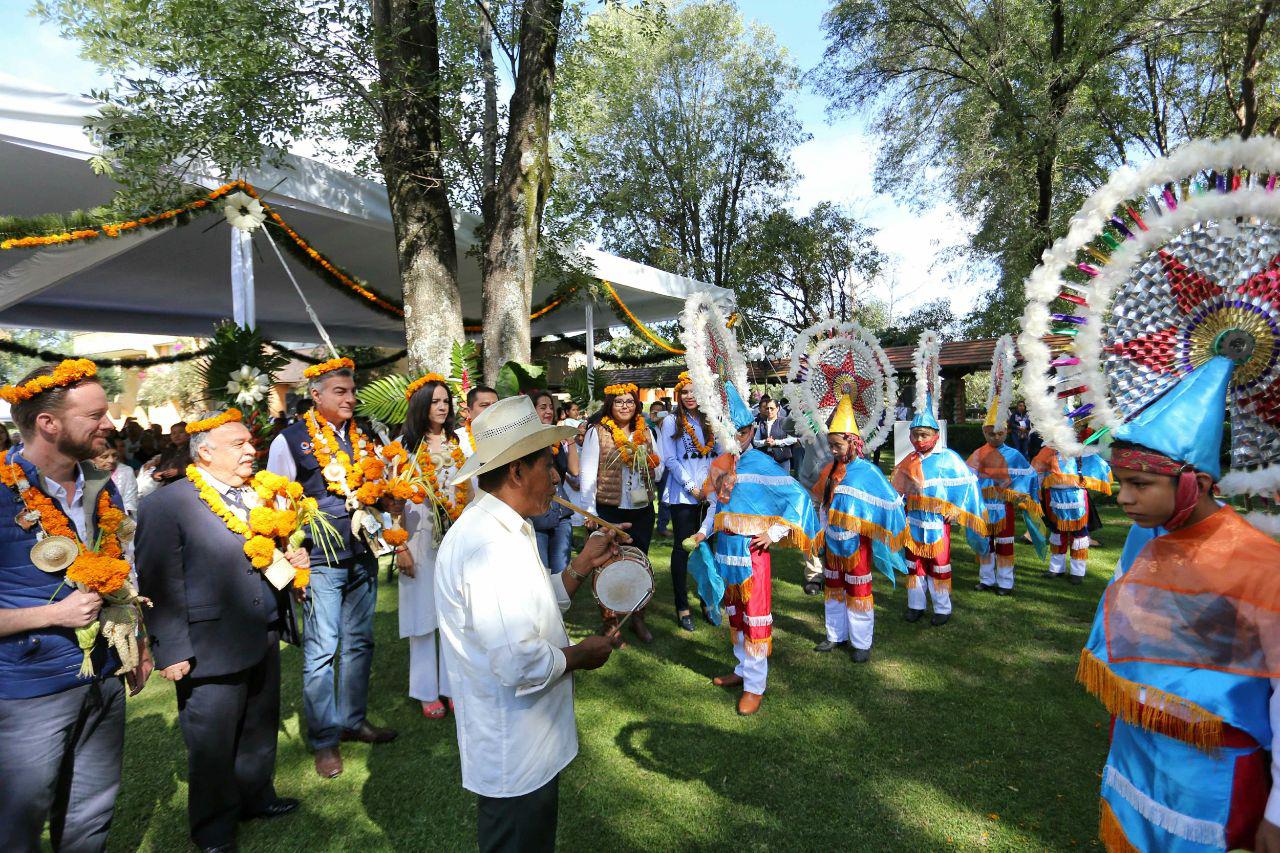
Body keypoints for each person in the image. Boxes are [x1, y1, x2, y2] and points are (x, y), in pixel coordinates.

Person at [1076, 355, 1280, 850]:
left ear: (1197, 484)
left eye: (1140, 484)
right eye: (1121, 482)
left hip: (1214, 773)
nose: (1122, 498)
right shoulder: (1142, 540)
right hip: (1137, 744)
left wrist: (1276, 814)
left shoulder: (1260, 564)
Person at [434, 395, 626, 852]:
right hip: (512, 747)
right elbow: (518, 661)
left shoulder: (503, 527)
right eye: (546, 464)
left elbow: (535, 604)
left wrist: (580, 565)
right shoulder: (489, 545)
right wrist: (585, 653)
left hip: (528, 739)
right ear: (517, 472)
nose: (556, 475)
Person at [136, 409, 306, 852]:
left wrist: (292, 563)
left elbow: (264, 554)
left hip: (263, 628)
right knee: (212, 742)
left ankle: (256, 798)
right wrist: (171, 650)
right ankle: (213, 829)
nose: (252, 450)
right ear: (205, 452)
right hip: (209, 645)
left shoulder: (259, 495)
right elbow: (159, 581)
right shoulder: (166, 505)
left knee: (259, 724)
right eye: (240, 444)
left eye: (251, 443)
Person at [0, 360, 152, 853]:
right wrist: (52, 615)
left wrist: (138, 643)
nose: (109, 424)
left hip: (104, 673)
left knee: (91, 814)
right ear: (49, 424)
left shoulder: (101, 487)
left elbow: (119, 572)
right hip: (30, 693)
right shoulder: (3, 493)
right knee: (17, 824)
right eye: (95, 415)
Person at [266, 357, 397, 780]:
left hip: (361, 555)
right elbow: (277, 507)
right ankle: (325, 739)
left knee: (360, 644)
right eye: (340, 392)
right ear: (316, 395)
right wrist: (293, 564)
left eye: (352, 391)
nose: (350, 399)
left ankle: (353, 720)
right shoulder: (290, 441)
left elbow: (373, 490)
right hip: (319, 563)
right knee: (322, 651)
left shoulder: (362, 437)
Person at [689, 380, 819, 715]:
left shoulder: (762, 463)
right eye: (732, 432)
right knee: (735, 614)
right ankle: (742, 669)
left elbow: (798, 499)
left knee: (755, 615)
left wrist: (774, 533)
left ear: (752, 430)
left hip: (752, 553)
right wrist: (704, 532)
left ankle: (755, 685)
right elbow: (718, 507)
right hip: (726, 550)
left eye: (744, 432)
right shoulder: (721, 465)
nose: (738, 438)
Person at [810, 394, 907, 662]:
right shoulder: (830, 470)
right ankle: (834, 635)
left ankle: (861, 642)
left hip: (857, 544)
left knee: (858, 589)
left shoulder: (868, 472)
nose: (833, 451)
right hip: (832, 540)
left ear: (853, 443)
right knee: (833, 586)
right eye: (830, 445)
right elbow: (820, 500)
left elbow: (889, 502)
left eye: (837, 445)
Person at [397, 374, 472, 720]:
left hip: (455, 537)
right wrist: (400, 547)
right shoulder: (405, 448)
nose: (442, 407)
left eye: (446, 401)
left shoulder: (458, 443)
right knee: (424, 615)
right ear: (421, 406)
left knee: (454, 614)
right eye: (435, 402)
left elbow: (470, 489)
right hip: (419, 536)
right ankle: (426, 690)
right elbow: (391, 500)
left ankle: (453, 686)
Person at [891, 384, 988, 627]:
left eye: (924, 435)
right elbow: (896, 491)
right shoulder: (907, 460)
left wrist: (954, 511)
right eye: (915, 435)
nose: (919, 440)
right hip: (912, 523)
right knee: (914, 564)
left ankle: (942, 607)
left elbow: (967, 485)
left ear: (936, 435)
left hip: (937, 524)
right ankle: (916, 605)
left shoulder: (949, 459)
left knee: (939, 565)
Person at [580, 382, 662, 644]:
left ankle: (638, 616)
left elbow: (658, 471)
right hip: (609, 509)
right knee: (607, 563)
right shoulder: (598, 432)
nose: (624, 406)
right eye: (619, 402)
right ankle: (610, 622)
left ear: (637, 405)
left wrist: (648, 461)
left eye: (629, 401)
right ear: (610, 405)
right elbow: (587, 473)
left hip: (641, 509)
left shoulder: (646, 432)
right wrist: (590, 512)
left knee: (639, 563)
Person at [966, 402, 1044, 596]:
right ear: (984, 433)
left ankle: (1005, 582)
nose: (995, 437)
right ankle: (986, 579)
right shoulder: (978, 454)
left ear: (1007, 432)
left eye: (999, 433)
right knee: (985, 544)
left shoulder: (1014, 455)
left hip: (1003, 507)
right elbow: (966, 479)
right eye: (991, 433)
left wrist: (1017, 492)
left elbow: (1030, 475)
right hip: (983, 507)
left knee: (1005, 544)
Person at [659, 372, 717, 631]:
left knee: (707, 550)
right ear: (678, 395)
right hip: (685, 495)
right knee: (682, 550)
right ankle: (682, 606)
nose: (690, 396)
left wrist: (712, 486)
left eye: (694, 391)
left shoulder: (710, 420)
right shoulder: (672, 421)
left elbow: (719, 455)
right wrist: (692, 487)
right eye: (685, 392)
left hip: (711, 495)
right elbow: (670, 460)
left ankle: (707, 600)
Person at [1031, 436, 1111, 585]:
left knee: (1079, 534)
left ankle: (1077, 572)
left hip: (1076, 498)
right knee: (1057, 532)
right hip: (1054, 499)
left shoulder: (1079, 451)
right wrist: (1037, 492)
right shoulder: (1046, 452)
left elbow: (1098, 466)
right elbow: (1037, 472)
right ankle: (1056, 569)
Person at [526, 390, 573, 574]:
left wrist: (570, 441)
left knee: (562, 575)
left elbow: (575, 470)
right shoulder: (524, 443)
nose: (548, 412)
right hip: (537, 516)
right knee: (541, 576)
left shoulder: (557, 439)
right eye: (542, 407)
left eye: (550, 407)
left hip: (562, 514)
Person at [93, 441, 139, 517]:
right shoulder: (84, 474)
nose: (111, 460)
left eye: (114, 455)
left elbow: (131, 502)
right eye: (104, 457)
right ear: (92, 459)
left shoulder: (126, 471)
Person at [753, 395, 797, 473]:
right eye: (767, 408)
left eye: (772, 408)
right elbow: (755, 441)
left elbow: (793, 439)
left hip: (782, 460)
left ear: (777, 409)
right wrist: (764, 442)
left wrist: (776, 442)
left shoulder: (784, 422)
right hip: (766, 460)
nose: (769, 411)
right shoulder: (762, 423)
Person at [648, 399, 672, 537]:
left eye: (659, 411)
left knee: (665, 499)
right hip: (651, 467)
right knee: (648, 499)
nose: (656, 414)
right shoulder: (649, 429)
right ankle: (647, 525)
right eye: (653, 412)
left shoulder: (670, 428)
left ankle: (662, 526)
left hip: (666, 468)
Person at [457, 385, 499, 457]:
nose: (492, 409)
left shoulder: (510, 434)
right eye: (484, 405)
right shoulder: (457, 439)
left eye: (496, 405)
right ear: (468, 412)